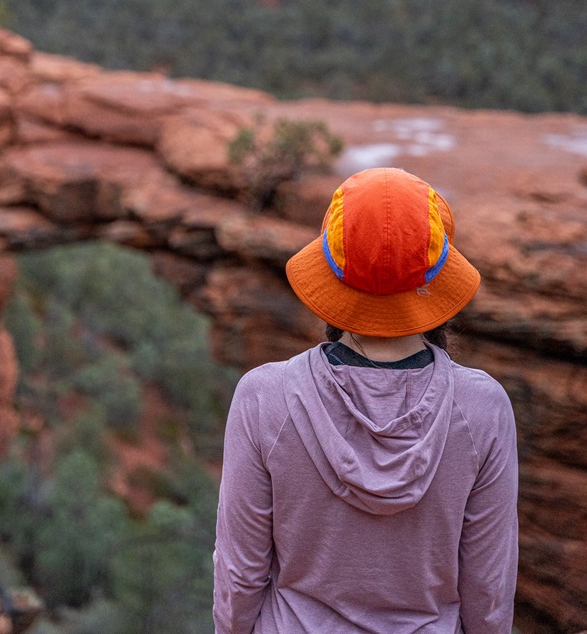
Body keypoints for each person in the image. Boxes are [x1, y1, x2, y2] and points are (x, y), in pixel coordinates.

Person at [213, 167, 518, 634]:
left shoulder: (264, 398)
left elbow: (240, 576)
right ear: (436, 280)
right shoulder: (482, 408)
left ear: (331, 275)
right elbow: (488, 589)